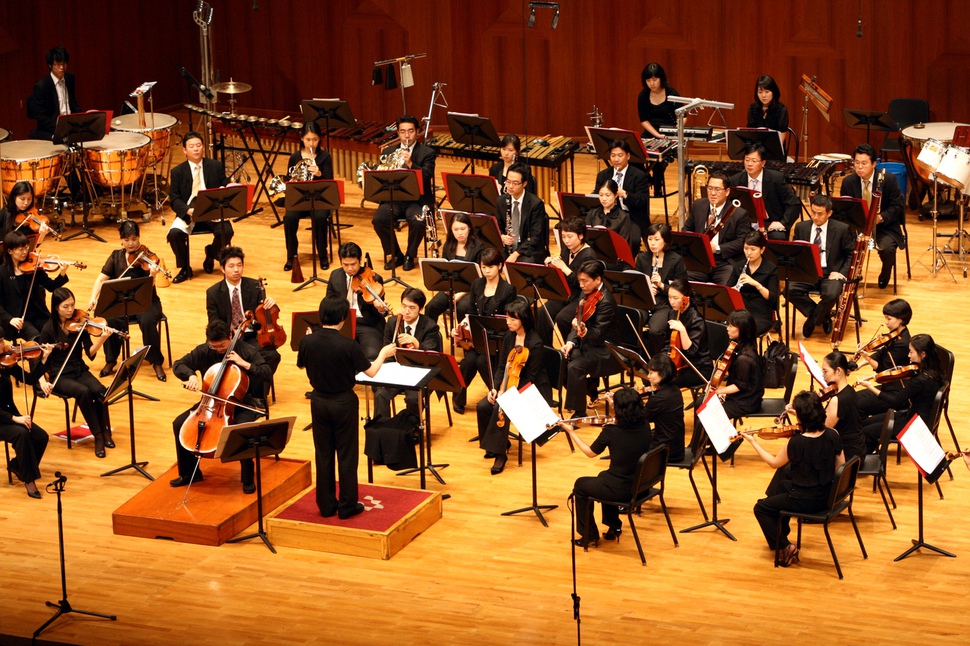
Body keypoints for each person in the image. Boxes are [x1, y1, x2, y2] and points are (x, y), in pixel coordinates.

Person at [298, 295, 397, 519]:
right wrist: (382, 353)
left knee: (323, 454)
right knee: (346, 455)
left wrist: (309, 341)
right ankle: (347, 506)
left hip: (319, 401)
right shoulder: (348, 344)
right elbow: (371, 372)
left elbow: (303, 364)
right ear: (343, 318)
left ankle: (325, 506)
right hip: (343, 403)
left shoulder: (307, 341)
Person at [747, 391, 845, 567]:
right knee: (782, 485)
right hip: (828, 496)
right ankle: (781, 532)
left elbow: (774, 463)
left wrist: (754, 442)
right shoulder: (833, 434)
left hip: (806, 500)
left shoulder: (796, 442)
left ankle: (786, 546)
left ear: (801, 417)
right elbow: (841, 468)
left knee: (761, 508)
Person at [170, 320, 270, 493]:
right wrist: (191, 375)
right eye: (214, 346)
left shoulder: (246, 351)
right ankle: (189, 474)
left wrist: (244, 363)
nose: (218, 349)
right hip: (210, 402)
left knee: (241, 430)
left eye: (222, 345)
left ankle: (247, 478)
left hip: (241, 403)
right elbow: (179, 364)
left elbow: (266, 372)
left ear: (231, 336)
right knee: (179, 424)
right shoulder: (204, 350)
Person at [564, 387, 653, 547]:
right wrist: (615, 404)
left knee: (580, 485)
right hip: (641, 486)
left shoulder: (612, 431)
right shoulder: (645, 425)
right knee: (603, 477)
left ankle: (589, 535)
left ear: (618, 409)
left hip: (623, 490)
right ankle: (614, 526)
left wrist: (571, 432)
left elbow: (590, 453)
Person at [86, 220, 167, 381]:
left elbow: (151, 287)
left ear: (139, 238)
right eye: (127, 239)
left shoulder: (147, 258)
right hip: (123, 303)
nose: (131, 243)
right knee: (109, 318)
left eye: (135, 239)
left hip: (146, 303)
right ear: (121, 240)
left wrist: (152, 275)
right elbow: (101, 280)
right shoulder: (115, 256)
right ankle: (111, 360)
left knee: (147, 320)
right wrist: (93, 298)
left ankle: (156, 360)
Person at [476, 298, 550, 474]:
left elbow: (530, 377)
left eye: (512, 319)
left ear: (523, 320)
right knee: (483, 405)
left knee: (501, 407)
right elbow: (502, 366)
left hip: (530, 389)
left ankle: (500, 454)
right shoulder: (509, 336)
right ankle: (499, 443)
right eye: (507, 318)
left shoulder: (535, 343)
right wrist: (495, 388)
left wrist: (509, 394)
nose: (508, 322)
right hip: (509, 384)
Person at [37, 288, 112, 459]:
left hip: (79, 369)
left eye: (72, 305)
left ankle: (106, 430)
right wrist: (42, 381)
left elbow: (90, 354)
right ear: (56, 307)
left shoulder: (81, 323)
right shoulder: (48, 329)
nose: (71, 310)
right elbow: (37, 360)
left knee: (100, 391)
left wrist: (102, 338)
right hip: (60, 375)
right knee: (83, 392)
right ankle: (98, 436)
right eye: (66, 306)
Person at [205, 246, 281, 405]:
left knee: (272, 356)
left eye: (239, 265)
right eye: (231, 266)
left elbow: (264, 317)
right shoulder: (213, 292)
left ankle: (258, 394)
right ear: (222, 268)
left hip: (252, 335)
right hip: (229, 338)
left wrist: (271, 305)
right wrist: (229, 333)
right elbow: (214, 321)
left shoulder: (254, 286)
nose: (236, 270)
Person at [450, 249, 516, 413]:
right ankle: (458, 398)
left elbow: (509, 321)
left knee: (480, 361)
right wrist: (460, 328)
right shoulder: (477, 284)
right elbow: (471, 313)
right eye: (483, 267)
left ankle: (499, 395)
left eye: (490, 267)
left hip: (499, 339)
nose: (487, 271)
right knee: (469, 361)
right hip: (479, 338)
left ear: (499, 266)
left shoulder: (508, 290)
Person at [858, 333, 945, 454]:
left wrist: (870, 387)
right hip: (916, 415)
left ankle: (865, 461)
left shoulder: (920, 380)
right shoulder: (935, 370)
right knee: (866, 423)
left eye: (911, 352)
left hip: (915, 424)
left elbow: (896, 401)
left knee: (867, 432)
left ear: (923, 354)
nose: (908, 355)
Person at [371, 116, 437, 272]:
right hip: (394, 199)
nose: (407, 136)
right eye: (403, 132)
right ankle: (395, 255)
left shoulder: (427, 153)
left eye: (410, 131)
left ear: (417, 132)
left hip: (417, 200)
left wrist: (411, 165)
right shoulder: (388, 152)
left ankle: (410, 255)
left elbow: (427, 175)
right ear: (398, 134)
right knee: (379, 219)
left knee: (418, 221)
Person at [839, 143, 906, 289]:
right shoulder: (848, 182)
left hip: (883, 226)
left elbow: (897, 206)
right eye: (856, 163)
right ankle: (851, 276)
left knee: (888, 248)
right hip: (857, 226)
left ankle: (886, 272)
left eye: (864, 163)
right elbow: (844, 209)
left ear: (874, 164)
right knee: (842, 244)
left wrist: (881, 217)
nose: (859, 167)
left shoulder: (887, 180)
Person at [167, 131, 232, 283]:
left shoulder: (215, 166)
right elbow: (174, 198)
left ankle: (212, 253)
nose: (196, 149)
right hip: (189, 213)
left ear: (203, 147)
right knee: (174, 234)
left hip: (212, 212)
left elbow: (225, 184)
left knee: (227, 230)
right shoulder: (177, 172)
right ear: (184, 150)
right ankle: (185, 268)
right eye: (191, 146)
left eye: (198, 145)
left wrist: (229, 186)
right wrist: (187, 210)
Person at [789, 194, 855, 338]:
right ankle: (822, 317)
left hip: (831, 272)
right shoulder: (801, 227)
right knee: (788, 290)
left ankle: (812, 321)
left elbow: (851, 254)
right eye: (813, 212)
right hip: (808, 272)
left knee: (831, 294)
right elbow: (795, 252)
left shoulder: (842, 229)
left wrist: (841, 273)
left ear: (829, 213)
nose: (815, 217)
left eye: (820, 214)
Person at [373, 288, 443, 420]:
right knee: (380, 393)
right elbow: (387, 353)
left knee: (413, 398)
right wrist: (385, 375)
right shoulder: (393, 322)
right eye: (404, 306)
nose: (406, 311)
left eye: (412, 307)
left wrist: (417, 344)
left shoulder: (430, 326)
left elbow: (431, 356)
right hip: (397, 371)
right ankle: (382, 430)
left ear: (421, 309)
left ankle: (413, 429)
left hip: (419, 373)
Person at [562, 260, 620, 418]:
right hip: (588, 344)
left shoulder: (606, 302)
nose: (581, 285)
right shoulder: (586, 292)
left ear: (598, 280)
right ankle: (588, 388)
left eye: (584, 281)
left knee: (575, 367)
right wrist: (570, 341)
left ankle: (579, 412)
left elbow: (598, 334)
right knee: (561, 359)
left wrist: (584, 331)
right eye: (579, 280)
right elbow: (579, 318)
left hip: (606, 349)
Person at [0, 336, 53, 498]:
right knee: (21, 434)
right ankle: (29, 481)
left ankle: (17, 465)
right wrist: (15, 419)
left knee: (41, 436)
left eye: (2, 340)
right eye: (0, 342)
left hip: (9, 414)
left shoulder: (5, 362)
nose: (4, 345)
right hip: (4, 419)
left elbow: (29, 380)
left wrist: (43, 359)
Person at [283, 121, 335, 272]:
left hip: (319, 200)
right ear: (302, 139)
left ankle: (323, 255)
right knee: (289, 218)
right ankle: (291, 256)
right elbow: (289, 179)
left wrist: (319, 174)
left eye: (315, 140)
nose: (311, 143)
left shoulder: (325, 157)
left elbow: (329, 182)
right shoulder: (294, 157)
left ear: (319, 140)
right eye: (308, 140)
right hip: (299, 200)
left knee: (319, 218)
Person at [0, 230, 69, 342]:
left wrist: (62, 273)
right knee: (35, 337)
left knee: (53, 332)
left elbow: (51, 286)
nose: (25, 252)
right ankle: (38, 359)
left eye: (26, 248)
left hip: (38, 314)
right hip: (18, 319)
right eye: (20, 249)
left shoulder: (34, 267)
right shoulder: (2, 273)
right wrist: (10, 319)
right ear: (9, 251)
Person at [682, 171, 750, 284]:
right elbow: (686, 230)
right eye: (709, 188)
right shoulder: (699, 205)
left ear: (727, 191)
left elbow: (741, 242)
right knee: (681, 282)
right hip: (700, 260)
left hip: (725, 262)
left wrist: (717, 248)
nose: (712, 193)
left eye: (717, 189)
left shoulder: (739, 213)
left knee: (725, 287)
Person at [325, 242, 388, 361]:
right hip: (342, 323)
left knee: (372, 355)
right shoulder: (335, 276)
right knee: (333, 355)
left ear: (360, 260)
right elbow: (329, 303)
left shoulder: (373, 278)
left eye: (353, 264)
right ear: (340, 261)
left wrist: (380, 309)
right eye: (345, 264)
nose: (349, 269)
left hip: (367, 324)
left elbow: (381, 312)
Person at [730, 142, 802, 240]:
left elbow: (794, 204)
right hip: (745, 224)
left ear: (763, 163)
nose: (749, 164)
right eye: (747, 160)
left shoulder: (776, 179)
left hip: (770, 224)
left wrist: (782, 223)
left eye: (754, 161)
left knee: (778, 237)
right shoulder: (735, 180)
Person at [542, 217, 597, 344]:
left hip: (580, 297)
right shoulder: (567, 249)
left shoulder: (588, 255)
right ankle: (546, 350)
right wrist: (552, 265)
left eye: (570, 236)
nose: (566, 241)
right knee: (543, 313)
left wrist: (564, 268)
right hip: (565, 294)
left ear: (581, 235)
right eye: (563, 236)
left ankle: (573, 348)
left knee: (563, 318)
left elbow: (585, 284)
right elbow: (561, 272)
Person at [424, 212, 485, 322]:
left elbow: (479, 277)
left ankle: (463, 337)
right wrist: (448, 289)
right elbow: (443, 269)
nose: (460, 233)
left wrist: (461, 294)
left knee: (462, 308)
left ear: (469, 228)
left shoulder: (478, 246)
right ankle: (430, 336)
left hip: (470, 290)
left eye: (463, 228)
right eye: (455, 230)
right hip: (450, 288)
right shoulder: (449, 245)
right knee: (431, 307)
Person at [855, 298, 912, 417]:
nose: (885, 322)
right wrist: (859, 364)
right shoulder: (895, 336)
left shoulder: (902, 343)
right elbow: (881, 353)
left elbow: (881, 367)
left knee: (857, 406)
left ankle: (861, 432)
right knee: (853, 399)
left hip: (896, 392)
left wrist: (867, 358)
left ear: (901, 319)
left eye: (889, 318)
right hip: (889, 386)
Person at [635, 223, 688, 352]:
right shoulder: (642, 258)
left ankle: (657, 359)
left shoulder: (676, 260)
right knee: (632, 320)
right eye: (650, 239)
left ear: (665, 241)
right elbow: (636, 282)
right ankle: (637, 357)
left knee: (655, 330)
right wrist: (646, 289)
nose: (652, 243)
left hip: (665, 303)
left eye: (657, 239)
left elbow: (682, 288)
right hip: (645, 301)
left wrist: (661, 285)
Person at [592, 140, 651, 244]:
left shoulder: (639, 176)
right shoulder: (603, 175)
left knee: (635, 240)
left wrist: (625, 194)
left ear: (628, 156)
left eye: (620, 155)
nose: (616, 159)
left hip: (631, 216)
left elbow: (642, 201)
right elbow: (596, 195)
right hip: (607, 215)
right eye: (613, 155)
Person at [710, 309, 763, 419]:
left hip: (746, 401)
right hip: (743, 395)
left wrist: (718, 392)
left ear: (742, 329)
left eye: (731, 326)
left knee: (712, 414)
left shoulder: (744, 358)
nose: (727, 328)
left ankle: (715, 436)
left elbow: (740, 386)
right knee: (702, 403)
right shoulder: (742, 345)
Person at [637, 62, 680, 195]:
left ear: (661, 78)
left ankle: (657, 184)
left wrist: (677, 127)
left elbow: (682, 115)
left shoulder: (672, 93)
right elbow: (643, 120)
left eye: (655, 79)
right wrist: (657, 135)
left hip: (669, 134)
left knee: (659, 162)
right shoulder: (643, 96)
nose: (652, 83)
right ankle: (646, 180)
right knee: (634, 154)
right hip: (650, 133)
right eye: (648, 80)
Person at [662, 279, 714, 389]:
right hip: (679, 362)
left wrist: (682, 330)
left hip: (698, 366)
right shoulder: (672, 313)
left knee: (665, 382)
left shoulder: (696, 319)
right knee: (651, 376)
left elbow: (691, 352)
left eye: (675, 298)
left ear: (686, 298)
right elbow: (668, 343)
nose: (672, 302)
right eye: (669, 297)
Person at [726, 231, 779, 335]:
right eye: (746, 248)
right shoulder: (739, 266)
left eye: (753, 249)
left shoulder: (771, 268)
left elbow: (772, 297)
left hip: (761, 311)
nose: (748, 253)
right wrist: (734, 290)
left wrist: (756, 284)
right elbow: (728, 289)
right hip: (740, 310)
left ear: (762, 249)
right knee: (726, 328)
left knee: (746, 331)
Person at [495, 162, 549, 264]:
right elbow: (498, 225)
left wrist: (516, 253)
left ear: (524, 183)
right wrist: (502, 236)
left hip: (528, 249)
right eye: (508, 181)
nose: (510, 186)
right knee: (488, 259)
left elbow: (536, 237)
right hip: (507, 247)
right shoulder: (501, 201)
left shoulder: (536, 204)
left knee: (523, 264)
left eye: (515, 183)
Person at [820, 351, 866, 462]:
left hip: (848, 456)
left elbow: (822, 429)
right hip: (857, 449)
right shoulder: (849, 390)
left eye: (825, 371)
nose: (823, 375)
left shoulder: (838, 399)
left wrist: (801, 415)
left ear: (839, 371)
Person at [28, 47, 80, 141]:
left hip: (70, 126)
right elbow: (41, 116)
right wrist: (60, 129)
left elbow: (73, 104)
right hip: (51, 129)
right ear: (50, 65)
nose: (62, 67)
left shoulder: (70, 78)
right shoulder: (41, 86)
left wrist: (81, 119)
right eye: (58, 64)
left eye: (64, 63)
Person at [642, 353, 686, 462]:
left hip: (666, 451)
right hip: (677, 446)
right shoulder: (675, 390)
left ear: (662, 374)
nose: (648, 376)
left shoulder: (659, 398)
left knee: (631, 442)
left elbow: (643, 418)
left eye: (651, 373)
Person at [586, 179, 639, 255]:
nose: (604, 199)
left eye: (608, 195)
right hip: (593, 254)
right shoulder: (592, 213)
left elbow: (622, 243)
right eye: (601, 195)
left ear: (616, 195)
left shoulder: (623, 216)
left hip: (613, 255)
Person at [746, 75, 789, 149]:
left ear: (773, 92)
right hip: (756, 152)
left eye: (767, 92)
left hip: (774, 152)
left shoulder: (782, 110)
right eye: (760, 92)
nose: (763, 95)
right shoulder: (753, 108)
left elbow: (780, 141)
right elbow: (750, 135)